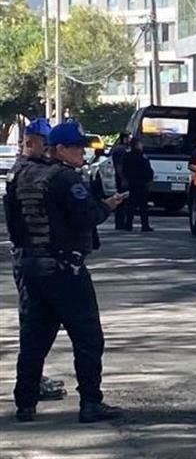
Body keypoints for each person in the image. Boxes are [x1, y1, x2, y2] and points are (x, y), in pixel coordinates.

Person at [4, 122, 125, 423]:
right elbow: (87, 215)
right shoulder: (64, 178)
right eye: (76, 147)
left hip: (30, 266)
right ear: (59, 149)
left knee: (34, 338)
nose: (82, 152)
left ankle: (25, 403)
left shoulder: (21, 175)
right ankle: (91, 402)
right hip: (64, 269)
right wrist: (107, 206)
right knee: (88, 337)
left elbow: (14, 224)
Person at [6, 118, 68, 403]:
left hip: (28, 255)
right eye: (45, 144)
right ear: (29, 142)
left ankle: (33, 379)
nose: (48, 149)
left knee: (38, 324)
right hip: (31, 255)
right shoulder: (26, 171)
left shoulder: (24, 169)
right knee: (35, 324)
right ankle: (31, 382)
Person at [121, 137, 154, 232]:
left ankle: (128, 225)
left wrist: (125, 180)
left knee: (131, 205)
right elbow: (147, 170)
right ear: (136, 145)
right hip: (141, 183)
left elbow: (124, 169)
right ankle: (145, 225)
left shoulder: (127, 156)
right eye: (140, 144)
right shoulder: (142, 156)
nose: (141, 146)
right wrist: (149, 180)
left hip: (131, 182)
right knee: (143, 206)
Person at [111, 133, 131, 230]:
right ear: (124, 139)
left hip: (119, 177)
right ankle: (120, 223)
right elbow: (119, 166)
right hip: (122, 178)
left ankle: (120, 222)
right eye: (128, 138)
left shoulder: (117, 149)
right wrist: (123, 179)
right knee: (123, 200)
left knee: (121, 200)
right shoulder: (121, 150)